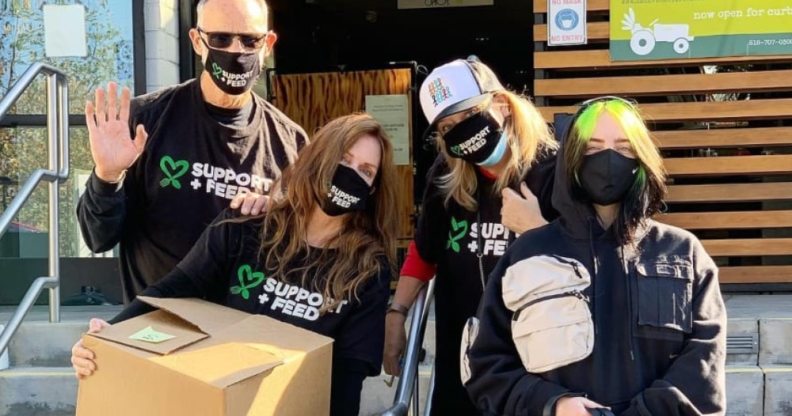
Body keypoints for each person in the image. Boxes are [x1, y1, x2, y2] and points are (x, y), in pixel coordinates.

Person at [71, 114, 398, 415]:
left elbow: (346, 376)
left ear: (372, 189)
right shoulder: (247, 226)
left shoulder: (368, 270)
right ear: (319, 158)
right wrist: (110, 337)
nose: (351, 173)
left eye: (366, 171)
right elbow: (174, 289)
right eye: (344, 159)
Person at [463, 97, 726, 415]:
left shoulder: (683, 253)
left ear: (642, 157)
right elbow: (487, 365)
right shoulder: (527, 255)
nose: (609, 158)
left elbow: (703, 363)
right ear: (572, 157)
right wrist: (552, 405)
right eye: (593, 147)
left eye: (624, 147)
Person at [76, 0, 307, 303]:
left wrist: (280, 215)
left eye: (250, 40)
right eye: (220, 39)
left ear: (268, 44)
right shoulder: (145, 122)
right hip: (158, 331)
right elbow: (98, 239)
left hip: (243, 336)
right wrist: (107, 176)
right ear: (197, 41)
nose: (236, 51)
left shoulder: (291, 144)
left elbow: (302, 253)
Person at [383, 57, 558, 414]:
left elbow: (588, 263)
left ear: (502, 105)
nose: (460, 131)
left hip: (539, 359)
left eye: (467, 115)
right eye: (448, 126)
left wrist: (537, 231)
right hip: (464, 355)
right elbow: (426, 250)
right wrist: (397, 313)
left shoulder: (553, 171)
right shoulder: (447, 175)